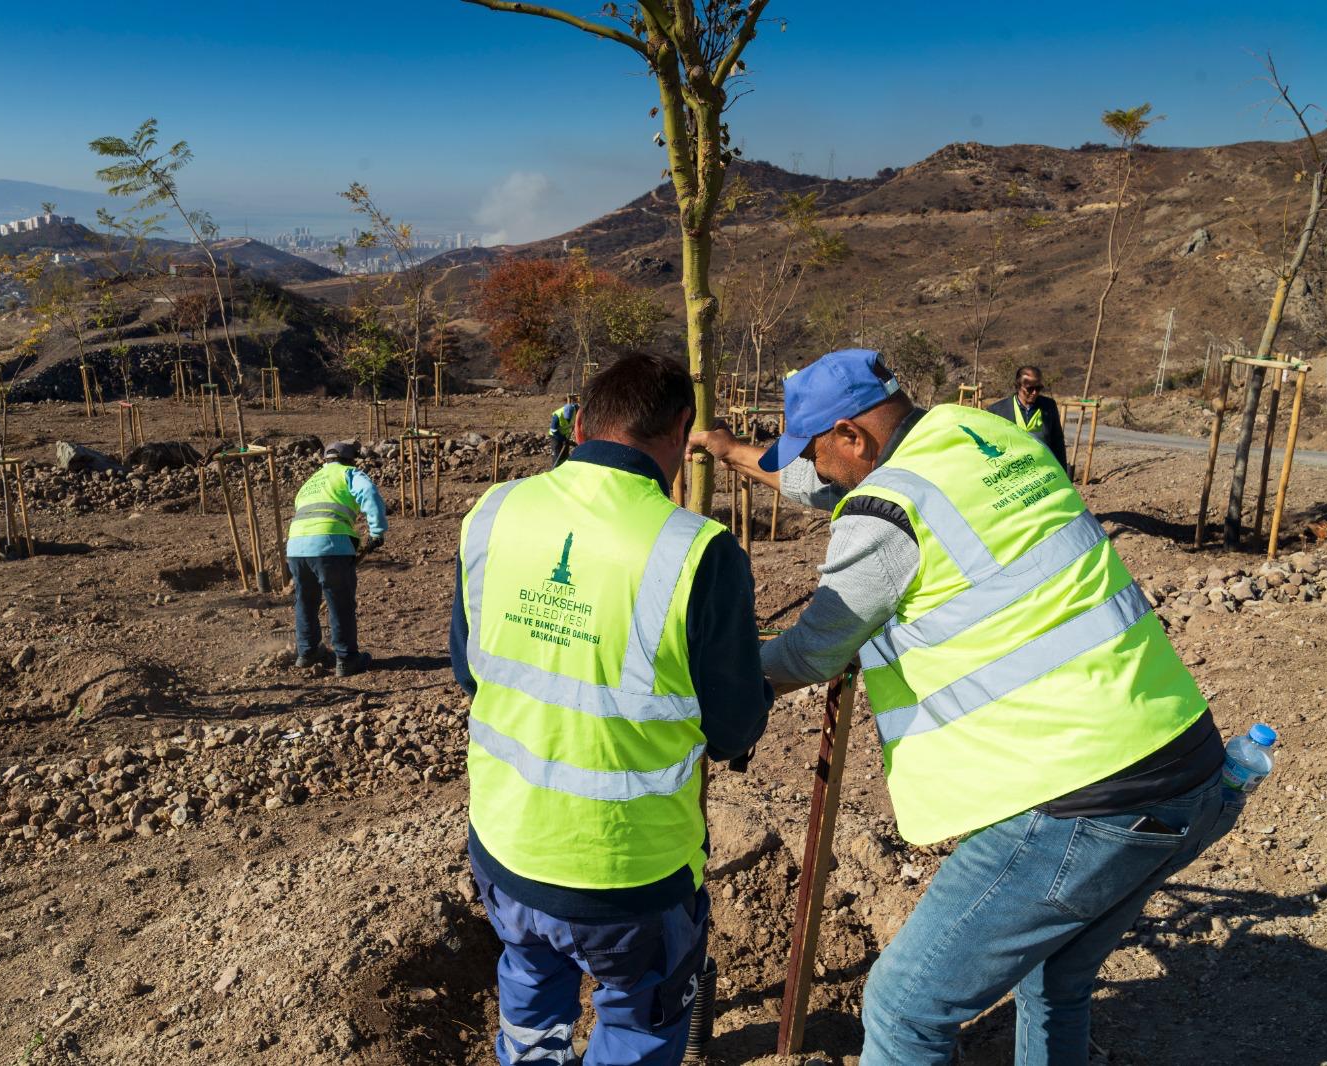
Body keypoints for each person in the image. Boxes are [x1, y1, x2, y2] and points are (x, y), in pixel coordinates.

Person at [691, 348, 1234, 1066]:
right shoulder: (990, 438)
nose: (816, 473)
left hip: (1084, 799)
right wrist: (731, 449)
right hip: (1188, 764)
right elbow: (832, 487)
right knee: (1057, 975)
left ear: (854, 437)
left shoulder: (886, 511)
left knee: (904, 1006)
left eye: (819, 452)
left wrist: (725, 685)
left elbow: (812, 651)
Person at [453, 354, 772, 1066]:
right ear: (682, 432)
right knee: (637, 1027)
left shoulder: (493, 513)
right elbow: (733, 729)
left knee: (532, 993)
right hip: (630, 875)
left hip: (507, 848)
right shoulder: (699, 552)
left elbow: (471, 673)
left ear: (583, 419)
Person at [285, 440, 387, 678]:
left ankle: (307, 653)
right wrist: (377, 531)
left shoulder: (311, 482)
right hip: (330, 545)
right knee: (340, 602)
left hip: (297, 547)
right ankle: (347, 658)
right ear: (349, 459)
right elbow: (369, 493)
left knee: (306, 601)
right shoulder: (349, 473)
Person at [989, 364, 1066, 467]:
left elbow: (1058, 443)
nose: (1034, 392)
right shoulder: (997, 411)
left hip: (1043, 470)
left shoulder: (1049, 407)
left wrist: (1063, 475)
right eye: (1030, 389)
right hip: (1013, 473)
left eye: (1038, 388)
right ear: (1017, 386)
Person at [547, 399, 579, 469]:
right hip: (555, 436)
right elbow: (553, 430)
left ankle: (564, 468)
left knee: (565, 454)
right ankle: (555, 469)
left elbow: (580, 407)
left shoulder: (575, 409)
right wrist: (563, 439)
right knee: (557, 454)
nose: (568, 419)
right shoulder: (557, 415)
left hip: (565, 435)